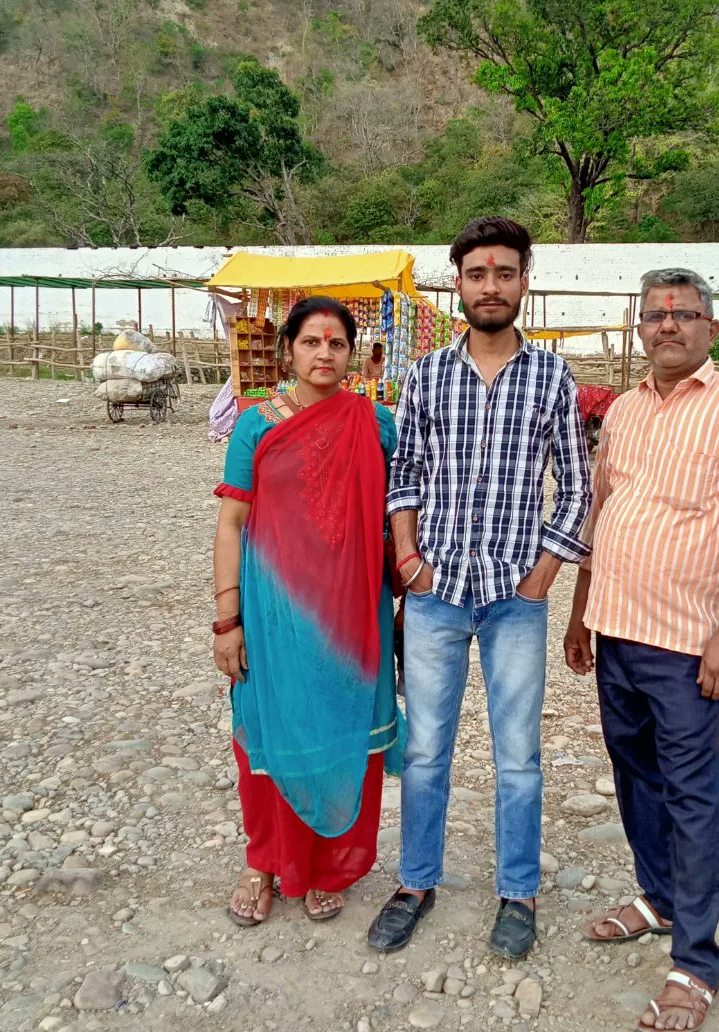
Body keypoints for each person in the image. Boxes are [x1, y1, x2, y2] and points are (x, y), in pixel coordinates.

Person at [564, 268, 719, 1031]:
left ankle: (696, 963)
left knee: (691, 795)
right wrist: (580, 616)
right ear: (640, 328)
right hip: (617, 632)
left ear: (709, 328)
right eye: (655, 315)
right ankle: (657, 898)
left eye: (684, 314)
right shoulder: (623, 411)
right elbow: (600, 514)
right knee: (634, 778)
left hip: (688, 646)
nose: (668, 326)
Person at [367, 217, 592, 959]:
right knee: (427, 750)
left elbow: (576, 486)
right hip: (433, 593)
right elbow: (407, 474)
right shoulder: (427, 374)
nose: (490, 286)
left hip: (514, 602)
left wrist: (544, 572)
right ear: (457, 283)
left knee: (517, 756)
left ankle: (517, 892)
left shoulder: (553, 376)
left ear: (525, 281)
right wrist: (408, 559)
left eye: (505, 272)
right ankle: (416, 882)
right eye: (476, 273)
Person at [212, 297, 404, 928]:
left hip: (351, 611)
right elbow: (232, 521)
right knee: (271, 729)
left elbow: (400, 509)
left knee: (342, 728)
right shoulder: (256, 424)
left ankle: (329, 865)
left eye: (337, 343)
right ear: (288, 349)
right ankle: (263, 863)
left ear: (353, 352)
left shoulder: (376, 423)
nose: (325, 354)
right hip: (275, 613)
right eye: (311, 343)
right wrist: (227, 619)